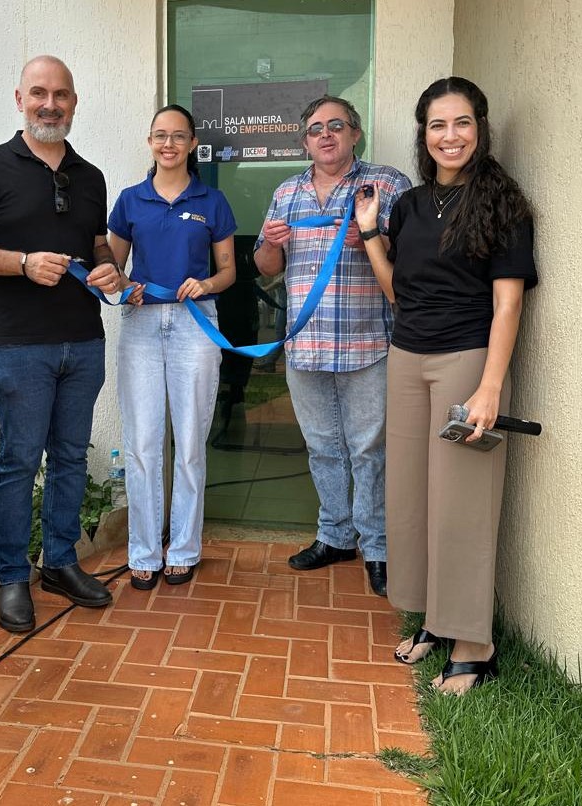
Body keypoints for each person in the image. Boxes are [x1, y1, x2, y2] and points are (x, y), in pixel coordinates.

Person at [355, 77, 537, 693]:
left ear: (480, 128)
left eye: (461, 123)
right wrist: (371, 234)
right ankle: (435, 618)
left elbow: (508, 305)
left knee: (462, 503)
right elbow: (399, 293)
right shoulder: (409, 205)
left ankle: (475, 644)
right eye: (438, 125)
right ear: (424, 134)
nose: (450, 136)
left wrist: (490, 387)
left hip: (466, 359)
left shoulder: (502, 204)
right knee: (412, 498)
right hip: (406, 358)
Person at [0, 55, 119, 633]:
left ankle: (60, 562)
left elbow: (98, 244)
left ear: (74, 102)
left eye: (60, 94)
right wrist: (22, 263)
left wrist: (108, 269)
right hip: (19, 346)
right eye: (39, 93)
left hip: (83, 341)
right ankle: (13, 575)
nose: (50, 104)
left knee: (70, 457)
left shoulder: (90, 175)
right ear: (20, 99)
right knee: (19, 461)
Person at [254, 96, 411, 596]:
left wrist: (372, 238)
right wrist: (271, 243)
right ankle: (335, 536)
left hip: (368, 343)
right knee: (323, 449)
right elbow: (266, 267)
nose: (325, 135)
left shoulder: (386, 184)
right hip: (305, 347)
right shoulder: (287, 192)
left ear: (355, 134)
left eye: (336, 125)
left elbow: (414, 258)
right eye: (315, 129)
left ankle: (378, 547)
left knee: (370, 451)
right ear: (305, 141)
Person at [108, 104, 236, 589]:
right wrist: (125, 287)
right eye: (160, 135)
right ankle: (143, 551)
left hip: (195, 323)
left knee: (189, 442)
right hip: (141, 324)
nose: (169, 144)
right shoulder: (130, 200)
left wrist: (206, 284)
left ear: (192, 144)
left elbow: (229, 271)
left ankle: (183, 548)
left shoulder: (212, 201)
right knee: (142, 444)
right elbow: (112, 271)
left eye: (179, 136)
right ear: (150, 142)